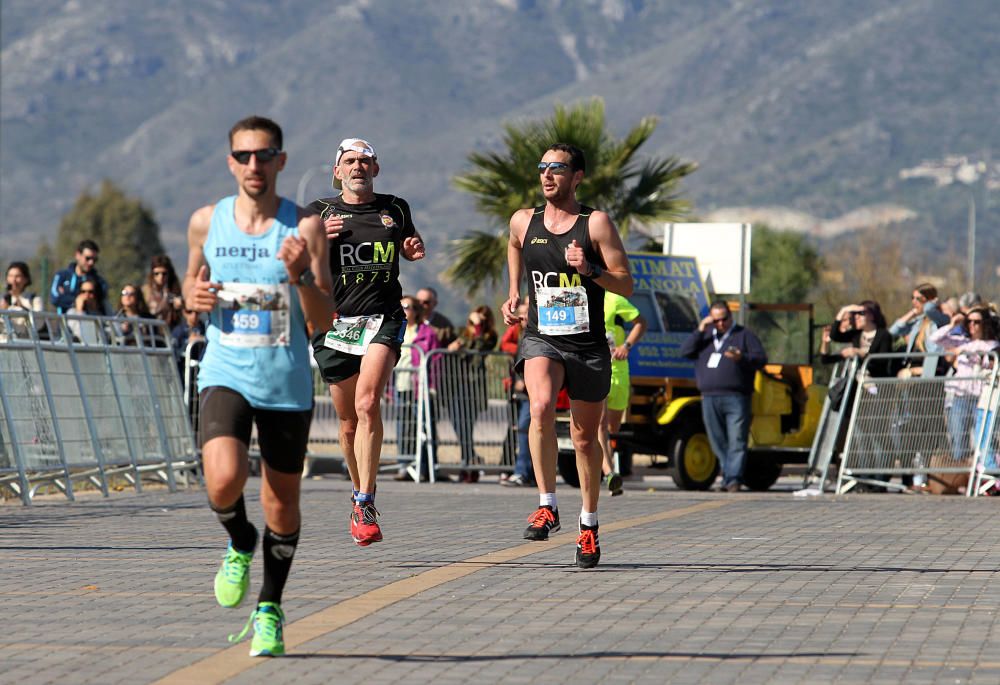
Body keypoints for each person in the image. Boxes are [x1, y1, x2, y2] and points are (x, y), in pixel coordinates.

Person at [182, 115, 332, 657]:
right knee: (221, 482)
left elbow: (323, 319)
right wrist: (192, 300)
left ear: (281, 162)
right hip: (224, 371)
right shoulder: (205, 221)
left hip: (285, 381)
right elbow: (190, 283)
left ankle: (270, 608)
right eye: (243, 156)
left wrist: (300, 278)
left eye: (264, 155)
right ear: (230, 163)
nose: (254, 165)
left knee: (281, 504)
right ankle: (239, 541)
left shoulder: (304, 227)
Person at [500, 142, 633, 569]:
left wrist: (590, 269)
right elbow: (514, 243)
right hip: (542, 336)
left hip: (588, 344)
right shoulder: (525, 220)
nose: (547, 175)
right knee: (539, 407)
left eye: (557, 168)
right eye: (542, 167)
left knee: (582, 437)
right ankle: (546, 504)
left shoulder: (595, 224)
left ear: (577, 177)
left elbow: (626, 284)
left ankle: (589, 524)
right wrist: (514, 292)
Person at [308, 137, 425, 546]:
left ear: (376, 169)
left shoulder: (395, 208)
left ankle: (366, 499)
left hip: (384, 318)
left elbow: (410, 246)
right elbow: (287, 259)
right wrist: (315, 239)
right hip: (334, 324)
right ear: (337, 171)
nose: (358, 167)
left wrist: (412, 249)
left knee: (367, 401)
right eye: (350, 161)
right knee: (347, 422)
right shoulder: (317, 213)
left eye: (365, 161)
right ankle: (358, 496)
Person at [680, 301, 767, 493]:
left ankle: (733, 479)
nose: (720, 324)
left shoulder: (744, 335)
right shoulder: (705, 338)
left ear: (730, 316)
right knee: (717, 439)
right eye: (715, 320)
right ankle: (729, 476)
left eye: (723, 319)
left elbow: (761, 359)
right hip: (709, 397)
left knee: (737, 439)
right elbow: (685, 352)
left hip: (736, 396)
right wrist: (700, 329)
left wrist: (742, 357)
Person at [931, 307, 1000, 463]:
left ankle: (983, 477)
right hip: (960, 397)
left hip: (982, 399)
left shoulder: (992, 344)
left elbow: (990, 362)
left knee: (982, 440)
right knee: (958, 441)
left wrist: (962, 351)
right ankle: (960, 480)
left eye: (977, 322)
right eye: (969, 321)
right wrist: (953, 324)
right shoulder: (962, 340)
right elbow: (935, 339)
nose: (972, 325)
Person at [600, 292, 647, 496]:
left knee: (612, 428)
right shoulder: (579, 295)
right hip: (597, 370)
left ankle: (606, 468)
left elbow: (640, 322)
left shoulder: (613, 299)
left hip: (619, 371)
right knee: (599, 426)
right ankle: (609, 473)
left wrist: (626, 345)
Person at [447, 305, 498, 482]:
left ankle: (466, 465)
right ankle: (471, 459)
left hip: (474, 387)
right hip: (456, 385)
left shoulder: (490, 335)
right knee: (458, 425)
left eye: (483, 319)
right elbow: (454, 348)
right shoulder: (462, 331)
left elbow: (478, 351)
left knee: (467, 426)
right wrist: (456, 346)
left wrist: (477, 328)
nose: (480, 321)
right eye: (478, 317)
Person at [393, 295, 440, 481]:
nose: (406, 309)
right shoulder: (395, 329)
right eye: (402, 306)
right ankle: (404, 465)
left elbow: (435, 361)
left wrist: (432, 385)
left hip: (420, 387)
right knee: (403, 427)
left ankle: (424, 466)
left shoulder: (427, 332)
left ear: (416, 310)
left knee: (423, 428)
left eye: (409, 306)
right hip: (400, 385)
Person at [500, 300, 534, 487]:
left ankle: (522, 471)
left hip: (532, 393)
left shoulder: (536, 336)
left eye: (527, 313)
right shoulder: (520, 335)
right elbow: (504, 344)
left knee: (524, 428)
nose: (524, 317)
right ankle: (527, 473)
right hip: (519, 393)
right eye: (521, 315)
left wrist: (525, 380)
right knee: (520, 429)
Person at [889, 283, 950, 377]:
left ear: (930, 299)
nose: (914, 302)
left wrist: (934, 302)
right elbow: (893, 331)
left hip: (929, 369)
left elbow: (928, 310)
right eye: (912, 298)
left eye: (918, 298)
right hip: (911, 369)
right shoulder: (917, 322)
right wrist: (912, 312)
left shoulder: (939, 319)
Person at [50, 239, 111, 315]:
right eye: (87, 258)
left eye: (94, 260)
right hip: (66, 322)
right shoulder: (62, 276)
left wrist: (66, 295)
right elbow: (55, 299)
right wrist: (76, 301)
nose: (91, 262)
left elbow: (99, 303)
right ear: (77, 255)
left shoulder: (99, 282)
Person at [1, 261, 44, 339]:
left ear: (26, 279)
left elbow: (38, 323)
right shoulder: (3, 300)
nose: (13, 280)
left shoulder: (34, 300)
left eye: (17, 276)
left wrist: (18, 307)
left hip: (27, 343)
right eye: (10, 276)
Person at [143, 255, 184, 329]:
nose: (160, 277)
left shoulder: (174, 291)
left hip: (170, 330)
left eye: (164, 274)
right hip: (150, 331)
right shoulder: (146, 291)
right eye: (157, 274)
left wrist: (178, 306)